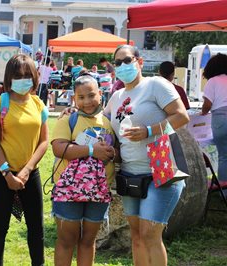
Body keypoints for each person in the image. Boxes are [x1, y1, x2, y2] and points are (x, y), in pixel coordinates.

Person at [103, 45, 189, 266]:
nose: (122, 66)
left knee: (150, 232)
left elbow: (181, 116)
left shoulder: (155, 85)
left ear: (139, 62)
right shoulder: (116, 96)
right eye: (117, 62)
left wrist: (149, 131)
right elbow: (101, 122)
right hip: (130, 173)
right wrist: (73, 113)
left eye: (127, 60)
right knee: (137, 234)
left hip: (160, 171)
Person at [0, 54, 49, 266]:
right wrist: (7, 174)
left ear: (34, 77)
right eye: (17, 75)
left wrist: (27, 170)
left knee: (36, 227)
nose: (23, 79)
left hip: (30, 174)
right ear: (8, 78)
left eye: (27, 75)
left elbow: (44, 141)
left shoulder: (38, 104)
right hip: (1, 173)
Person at [51, 75, 116, 266]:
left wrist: (112, 152)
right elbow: (58, 148)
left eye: (91, 95)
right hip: (69, 190)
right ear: (74, 99)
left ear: (100, 94)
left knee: (88, 241)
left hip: (99, 191)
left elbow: (116, 153)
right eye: (81, 97)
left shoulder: (107, 122)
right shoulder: (68, 120)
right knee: (66, 240)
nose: (87, 101)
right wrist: (90, 150)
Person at [201, 53, 227, 186]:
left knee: (224, 156)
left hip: (221, 119)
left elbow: (207, 105)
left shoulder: (213, 81)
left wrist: (202, 113)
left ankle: (224, 187)